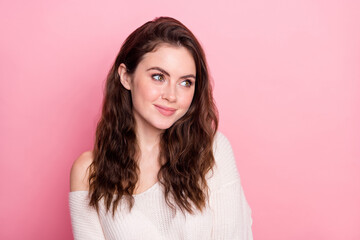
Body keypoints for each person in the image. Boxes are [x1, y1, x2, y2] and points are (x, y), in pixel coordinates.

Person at [69, 16, 253, 239]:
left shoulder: (212, 151)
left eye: (186, 82)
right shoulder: (90, 171)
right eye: (158, 77)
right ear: (126, 77)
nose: (172, 96)